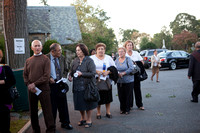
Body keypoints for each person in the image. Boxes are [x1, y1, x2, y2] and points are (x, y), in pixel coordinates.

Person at [23, 40, 55, 133]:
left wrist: (34, 84)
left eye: (38, 46)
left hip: (43, 89)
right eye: (35, 46)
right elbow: (25, 75)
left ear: (41, 47)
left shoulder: (46, 59)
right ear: (32, 48)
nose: (37, 48)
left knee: (47, 111)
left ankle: (50, 130)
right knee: (33, 112)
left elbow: (46, 76)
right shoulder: (28, 61)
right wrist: (29, 84)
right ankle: (35, 130)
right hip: (31, 90)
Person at [68, 43, 97, 128]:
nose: (77, 52)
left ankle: (89, 119)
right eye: (76, 50)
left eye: (79, 50)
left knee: (88, 103)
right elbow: (72, 71)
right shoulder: (75, 60)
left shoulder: (89, 60)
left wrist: (82, 74)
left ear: (84, 51)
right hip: (77, 86)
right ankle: (82, 118)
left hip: (86, 86)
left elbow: (93, 73)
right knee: (79, 103)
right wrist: (70, 75)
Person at [46, 43, 73, 130]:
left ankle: (65, 123)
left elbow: (66, 69)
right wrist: (49, 78)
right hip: (50, 85)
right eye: (59, 50)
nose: (61, 52)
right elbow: (42, 72)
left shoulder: (62, 58)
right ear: (52, 51)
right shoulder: (45, 58)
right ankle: (51, 126)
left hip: (60, 84)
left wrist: (64, 77)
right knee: (52, 107)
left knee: (63, 105)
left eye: (61, 50)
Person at [90, 43, 115, 119]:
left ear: (104, 50)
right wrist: (97, 71)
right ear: (96, 50)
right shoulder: (92, 58)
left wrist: (108, 72)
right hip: (96, 80)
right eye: (99, 49)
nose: (101, 50)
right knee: (98, 97)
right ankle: (98, 113)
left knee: (108, 97)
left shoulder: (108, 58)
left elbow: (114, 67)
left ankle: (108, 112)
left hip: (106, 80)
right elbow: (89, 68)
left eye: (102, 49)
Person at [124, 40, 145, 110]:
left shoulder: (136, 53)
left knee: (137, 89)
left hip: (136, 74)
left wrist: (137, 63)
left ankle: (140, 105)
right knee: (129, 90)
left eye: (131, 45)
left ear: (133, 46)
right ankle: (130, 105)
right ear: (125, 46)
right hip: (128, 74)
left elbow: (142, 62)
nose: (130, 46)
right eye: (128, 45)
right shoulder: (124, 54)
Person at [0, 49, 16, 133]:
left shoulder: (6, 68)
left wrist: (3, 82)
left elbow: (13, 81)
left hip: (5, 100)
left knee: (5, 123)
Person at [115, 47, 134, 115]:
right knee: (121, 95)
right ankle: (122, 108)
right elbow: (114, 68)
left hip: (129, 80)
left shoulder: (128, 59)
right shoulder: (116, 60)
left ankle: (127, 109)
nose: (120, 53)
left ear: (125, 52)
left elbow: (131, 68)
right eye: (119, 52)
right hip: (120, 81)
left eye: (122, 51)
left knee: (128, 95)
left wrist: (123, 73)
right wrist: (117, 73)